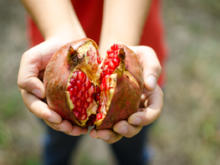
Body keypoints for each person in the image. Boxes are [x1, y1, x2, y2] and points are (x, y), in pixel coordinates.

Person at [17, 0, 165, 164]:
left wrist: (122, 41)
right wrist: (61, 31)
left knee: (132, 150)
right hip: (51, 41)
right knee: (57, 141)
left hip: (133, 25)